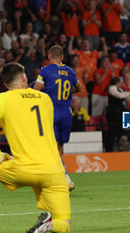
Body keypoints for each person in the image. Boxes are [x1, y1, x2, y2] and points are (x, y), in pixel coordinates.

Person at [0, 62, 71, 233]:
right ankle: (50, 224)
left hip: (25, 169)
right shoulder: (45, 99)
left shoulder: (3, 98)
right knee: (65, 225)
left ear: (6, 85)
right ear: (24, 77)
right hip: (55, 171)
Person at [33, 45, 82, 191]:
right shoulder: (70, 72)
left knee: (52, 148)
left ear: (49, 56)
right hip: (66, 115)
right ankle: (58, 176)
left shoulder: (45, 70)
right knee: (59, 148)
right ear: (62, 57)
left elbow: (36, 90)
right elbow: (79, 88)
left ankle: (64, 178)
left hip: (52, 114)